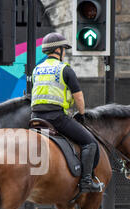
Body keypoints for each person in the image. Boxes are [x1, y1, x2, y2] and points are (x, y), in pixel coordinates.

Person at [31, 32, 101, 193]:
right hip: (56, 118)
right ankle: (86, 181)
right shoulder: (65, 70)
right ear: (58, 50)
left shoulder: (36, 70)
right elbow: (79, 97)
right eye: (63, 48)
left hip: (35, 118)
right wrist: (82, 115)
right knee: (89, 142)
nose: (64, 52)